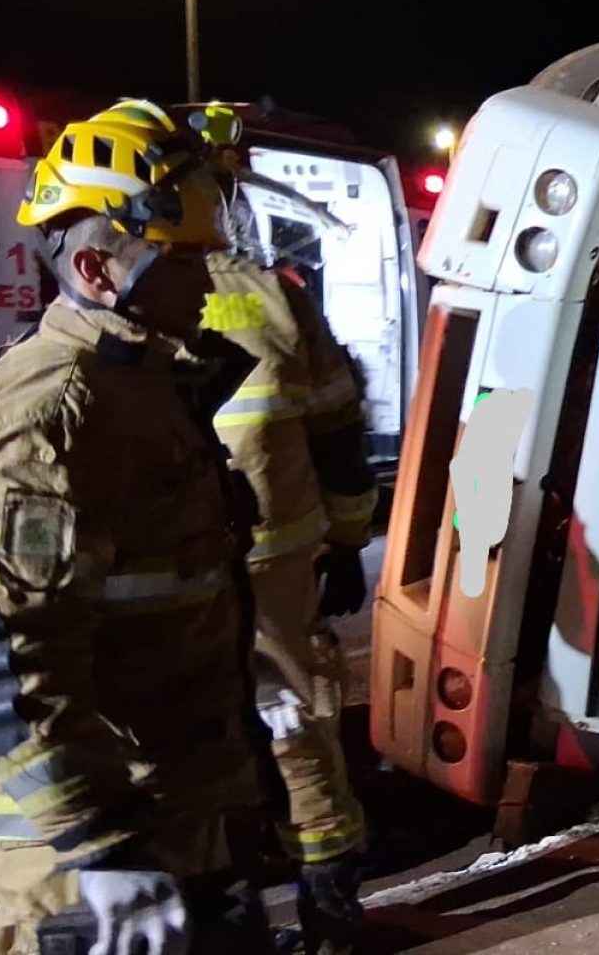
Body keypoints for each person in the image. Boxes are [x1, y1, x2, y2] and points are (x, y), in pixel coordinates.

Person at [0, 99, 276, 955]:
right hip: (87, 871)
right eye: (186, 259)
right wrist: (100, 848)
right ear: (98, 269)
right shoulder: (55, 414)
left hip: (165, 831)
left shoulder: (139, 389)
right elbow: (2, 653)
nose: (211, 281)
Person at [199, 162, 377, 955]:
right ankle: (332, 913)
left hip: (178, 565)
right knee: (297, 720)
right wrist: (347, 538)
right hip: (277, 555)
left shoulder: (122, 297)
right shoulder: (277, 295)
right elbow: (339, 426)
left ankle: (231, 919)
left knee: (195, 734)